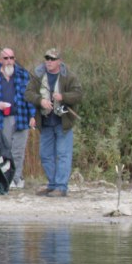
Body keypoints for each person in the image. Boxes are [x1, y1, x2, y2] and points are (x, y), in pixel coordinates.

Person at [25, 48, 83, 197]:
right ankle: (53, 184)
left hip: (63, 122)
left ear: (59, 61)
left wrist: (63, 97)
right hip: (45, 122)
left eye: (52, 59)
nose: (49, 62)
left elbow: (78, 95)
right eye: (47, 58)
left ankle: (61, 187)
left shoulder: (69, 76)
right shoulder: (38, 75)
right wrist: (40, 100)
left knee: (63, 155)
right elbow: (28, 93)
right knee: (45, 155)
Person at [0, 47, 36, 189]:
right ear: (0, 60)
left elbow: (30, 97)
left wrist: (33, 115)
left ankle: (16, 179)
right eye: (6, 58)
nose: (9, 61)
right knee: (4, 150)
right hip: (1, 118)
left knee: (19, 150)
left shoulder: (23, 74)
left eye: (12, 58)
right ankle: (5, 178)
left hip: (21, 117)